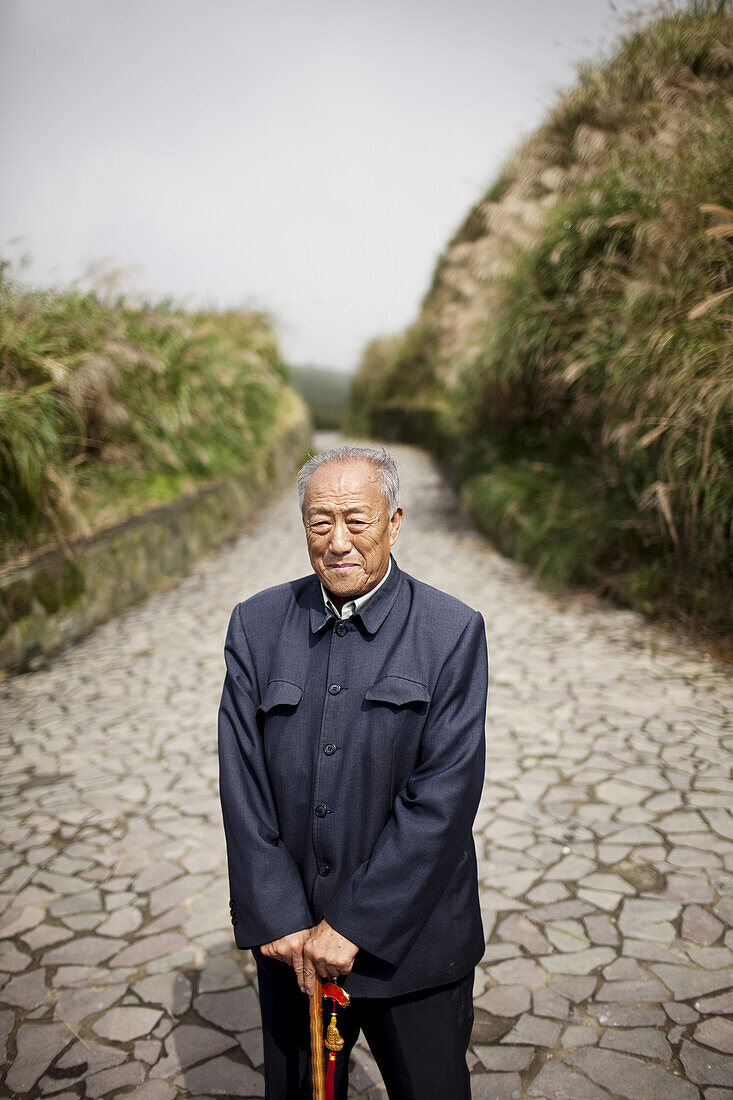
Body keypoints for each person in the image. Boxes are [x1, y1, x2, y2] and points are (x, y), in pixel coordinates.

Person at [217, 443, 488, 1099]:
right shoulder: (256, 625)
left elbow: (442, 800)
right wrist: (277, 917)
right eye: (319, 522)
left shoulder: (451, 631)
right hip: (296, 951)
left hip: (416, 950)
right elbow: (241, 780)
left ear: (393, 522)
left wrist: (355, 927)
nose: (337, 542)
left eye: (356, 521)